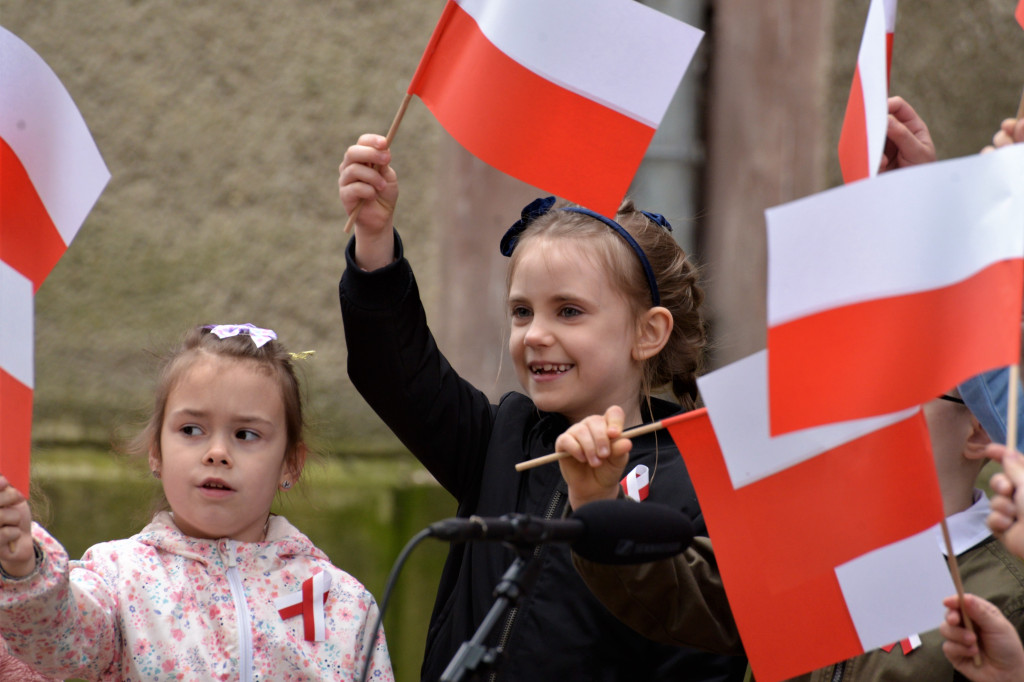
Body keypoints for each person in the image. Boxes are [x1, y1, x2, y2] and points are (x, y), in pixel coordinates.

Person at [338, 133, 748, 680]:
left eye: (569, 311)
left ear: (648, 332)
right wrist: (374, 239)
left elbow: (700, 656)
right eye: (522, 312)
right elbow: (397, 373)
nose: (535, 335)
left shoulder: (699, 476)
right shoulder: (501, 436)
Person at [0, 323, 393, 681]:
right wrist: (24, 569)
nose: (217, 452)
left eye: (246, 434)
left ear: (290, 463)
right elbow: (56, 646)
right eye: (192, 429)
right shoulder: (117, 578)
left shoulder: (342, 603)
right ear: (156, 452)